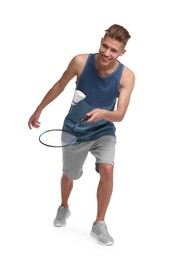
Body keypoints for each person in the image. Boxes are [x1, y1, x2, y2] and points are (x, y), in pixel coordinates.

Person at [28, 24, 135, 246]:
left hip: (104, 130)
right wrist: (39, 109)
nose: (107, 53)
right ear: (101, 42)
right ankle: (64, 207)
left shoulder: (127, 76)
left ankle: (99, 224)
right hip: (74, 130)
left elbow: (120, 114)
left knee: (107, 168)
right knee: (69, 175)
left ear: (122, 53)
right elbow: (59, 85)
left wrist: (104, 113)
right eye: (104, 46)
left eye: (113, 50)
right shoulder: (80, 61)